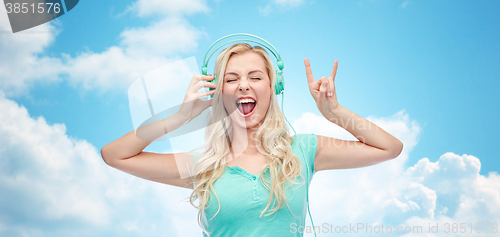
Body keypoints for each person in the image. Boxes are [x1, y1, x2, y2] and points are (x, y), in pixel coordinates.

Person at [101, 43, 403, 236]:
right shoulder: (203, 165)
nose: (243, 85)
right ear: (219, 92)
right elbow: (114, 155)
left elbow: (389, 147)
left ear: (273, 87)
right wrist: (180, 118)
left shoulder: (305, 150)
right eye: (231, 79)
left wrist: (334, 111)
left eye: (255, 77)